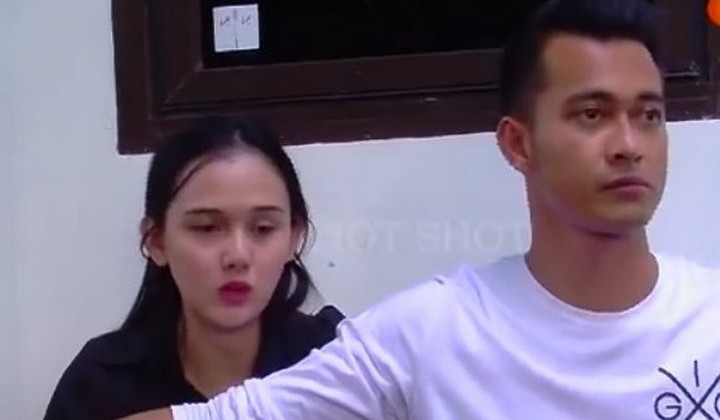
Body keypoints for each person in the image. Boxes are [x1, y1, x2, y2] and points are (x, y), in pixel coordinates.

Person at [123, 0, 720, 419]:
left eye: (649, 115)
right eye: (592, 114)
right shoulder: (429, 334)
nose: (628, 144)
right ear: (518, 144)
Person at [43, 117, 344, 420]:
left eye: (263, 228)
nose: (237, 256)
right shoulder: (101, 383)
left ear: (294, 237)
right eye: (207, 228)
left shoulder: (334, 358)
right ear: (157, 241)